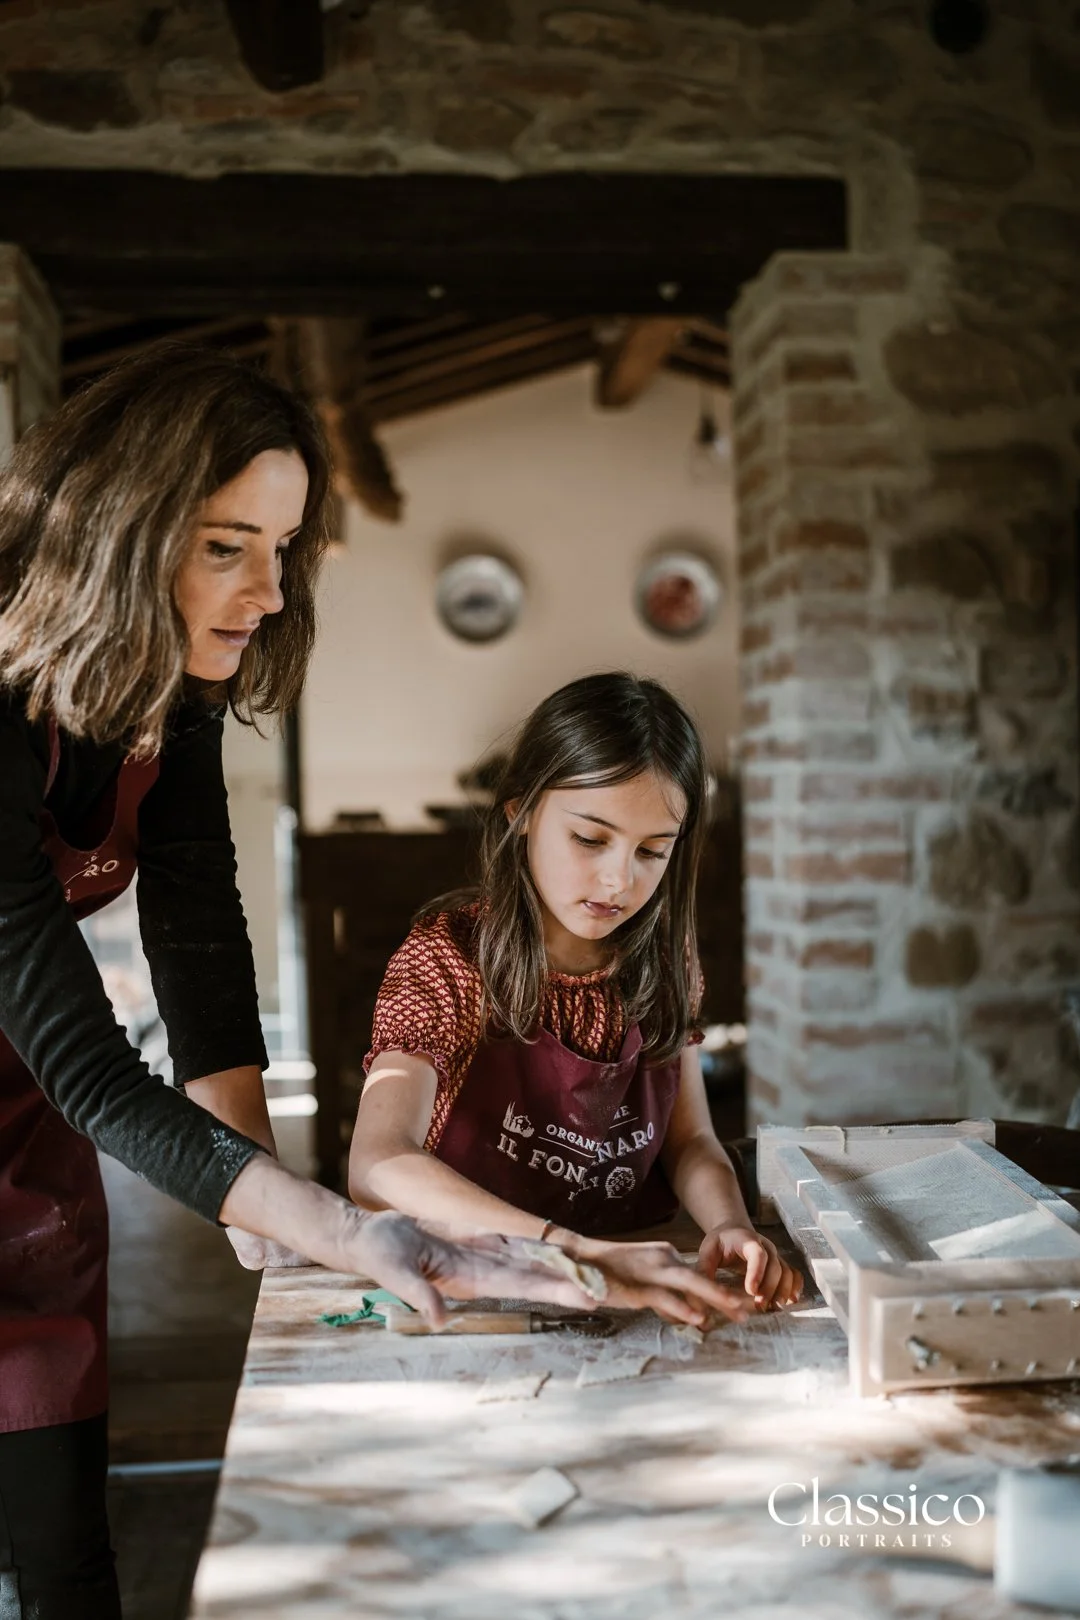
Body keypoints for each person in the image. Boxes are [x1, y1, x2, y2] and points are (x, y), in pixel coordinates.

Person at [0, 351, 743, 1620]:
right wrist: (336, 1224)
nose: (271, 592)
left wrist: (264, 1213)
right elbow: (86, 1062)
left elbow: (197, 926)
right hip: (50, 1067)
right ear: (122, 538)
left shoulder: (165, 680)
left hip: (22, 1113)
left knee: (63, 1528)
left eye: (282, 548)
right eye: (229, 546)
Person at [350, 673, 803, 1317]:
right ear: (523, 812)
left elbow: (691, 1141)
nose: (619, 878)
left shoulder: (665, 961)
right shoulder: (446, 960)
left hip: (629, 1277)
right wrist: (567, 1250)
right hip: (479, 1287)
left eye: (652, 851)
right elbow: (376, 1164)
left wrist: (729, 1223)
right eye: (590, 839)